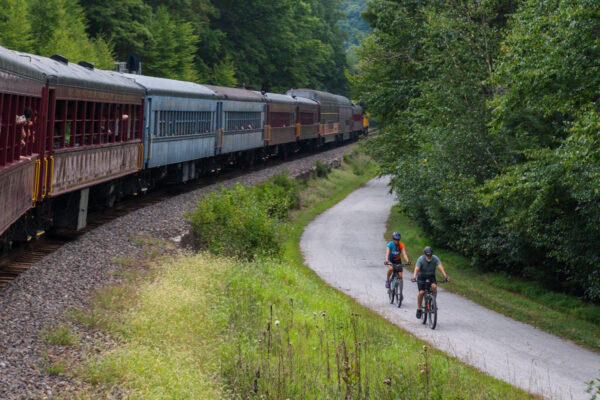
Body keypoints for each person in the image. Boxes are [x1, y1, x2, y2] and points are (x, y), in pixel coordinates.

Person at [411, 246, 449, 319]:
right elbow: (416, 269)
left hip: (431, 276)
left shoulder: (435, 258)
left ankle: (433, 303)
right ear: (425, 254)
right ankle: (419, 308)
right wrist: (414, 277)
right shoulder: (421, 259)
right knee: (421, 292)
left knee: (434, 287)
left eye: (430, 255)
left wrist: (446, 277)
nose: (429, 256)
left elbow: (441, 267)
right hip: (421, 277)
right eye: (427, 255)